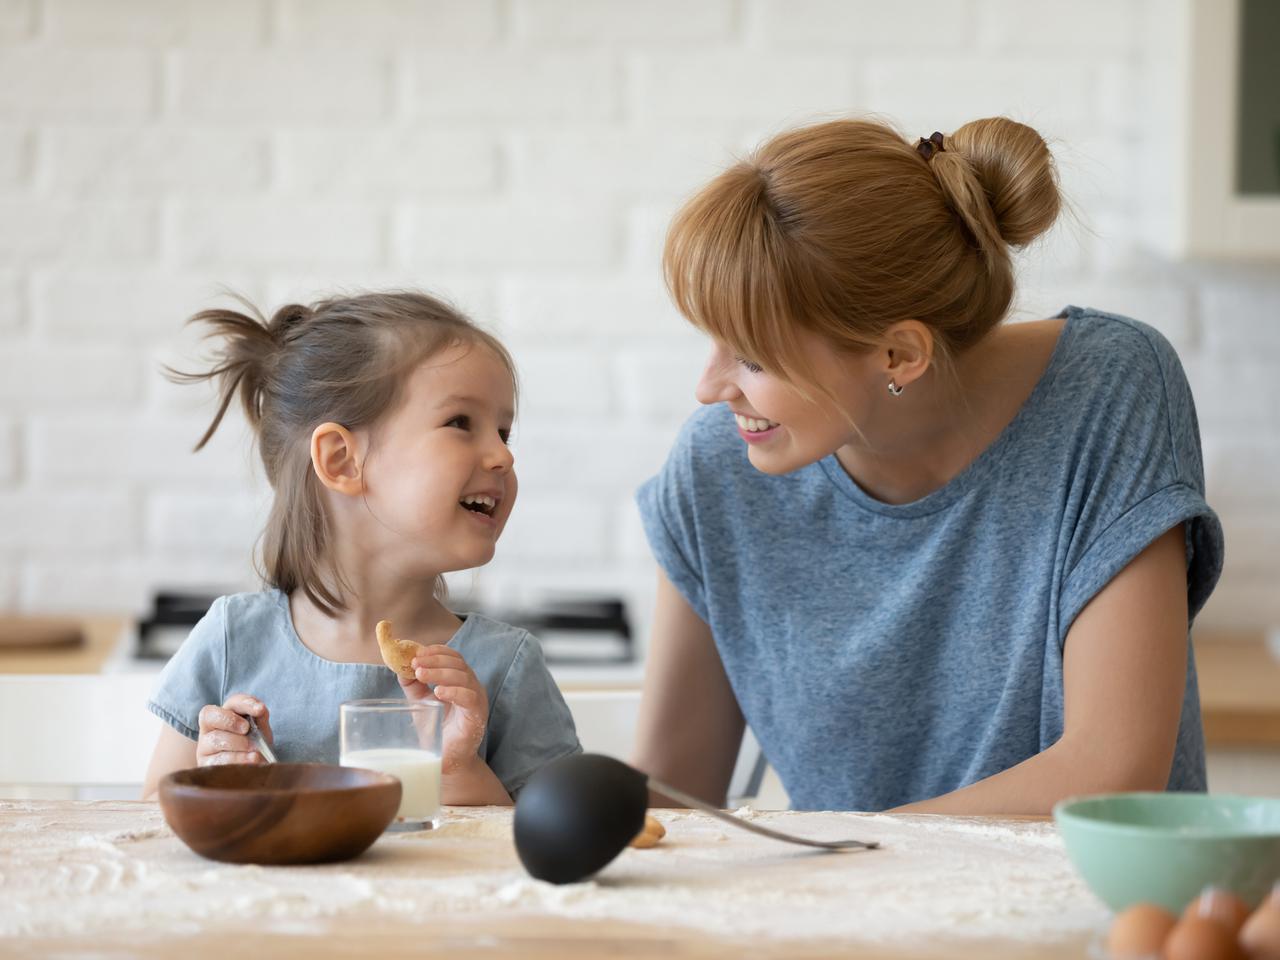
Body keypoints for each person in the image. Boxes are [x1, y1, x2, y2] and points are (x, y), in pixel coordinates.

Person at [631, 117, 1224, 815]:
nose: (709, 388)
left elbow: (1112, 769)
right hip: (843, 914)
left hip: (1098, 917)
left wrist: (837, 861)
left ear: (901, 354)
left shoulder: (1109, 389)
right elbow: (672, 789)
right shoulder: (720, 464)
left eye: (754, 357)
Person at [140, 291, 580, 802]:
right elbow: (152, 818)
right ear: (342, 461)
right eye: (461, 423)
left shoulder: (504, 667)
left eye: (504, 431)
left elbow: (557, 840)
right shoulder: (231, 642)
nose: (503, 455)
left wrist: (456, 768)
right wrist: (218, 782)